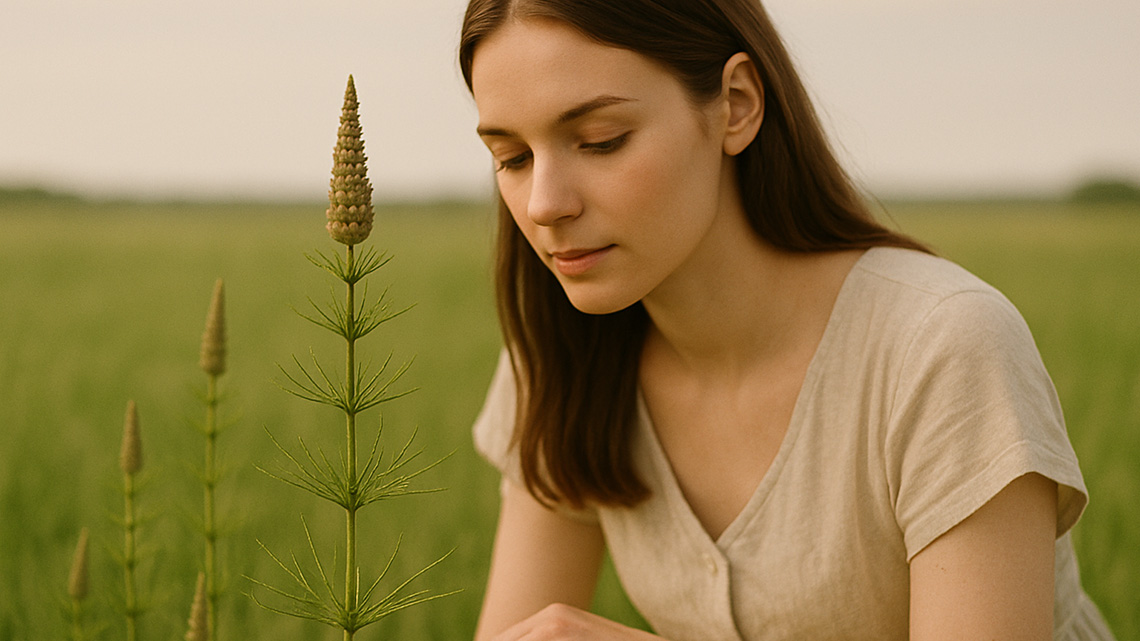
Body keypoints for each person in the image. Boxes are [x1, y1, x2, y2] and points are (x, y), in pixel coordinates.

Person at [458, 1, 1115, 639]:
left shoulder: (941, 347)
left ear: (737, 104)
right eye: (512, 158)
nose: (544, 203)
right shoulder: (559, 358)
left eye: (602, 141)